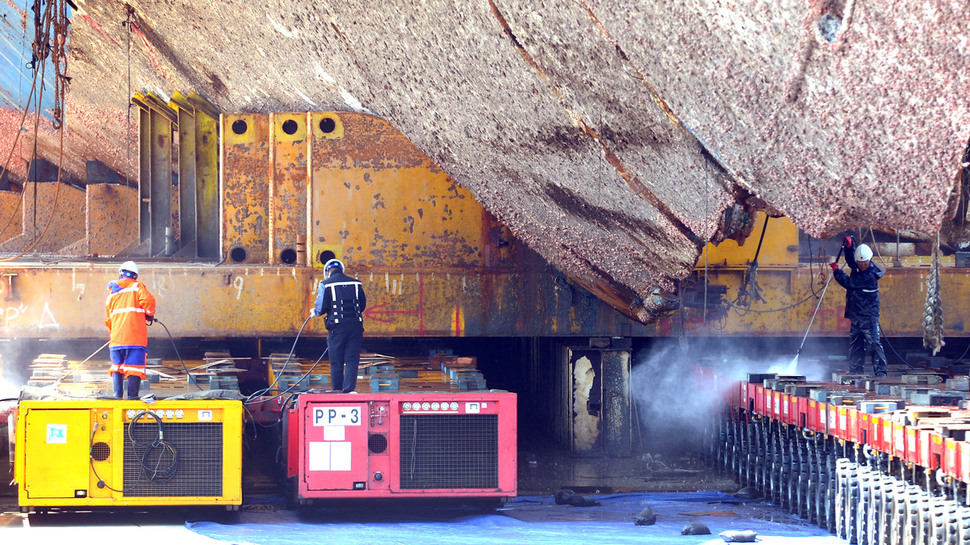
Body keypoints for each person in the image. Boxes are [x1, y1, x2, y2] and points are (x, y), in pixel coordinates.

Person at [831, 237, 887, 377]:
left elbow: (849, 283)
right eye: (860, 263)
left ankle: (880, 373)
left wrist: (837, 271)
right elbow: (851, 261)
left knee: (874, 343)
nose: (862, 265)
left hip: (868, 316)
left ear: (869, 261)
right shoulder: (859, 267)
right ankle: (855, 372)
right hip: (856, 315)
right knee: (856, 345)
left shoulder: (870, 276)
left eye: (864, 263)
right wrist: (849, 247)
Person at [104, 261, 156, 399]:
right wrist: (149, 314)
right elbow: (149, 303)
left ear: (121, 274)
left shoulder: (111, 295)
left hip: (116, 340)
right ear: (135, 275)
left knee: (117, 367)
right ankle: (133, 397)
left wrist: (114, 336)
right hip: (135, 338)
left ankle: (117, 396)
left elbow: (109, 320)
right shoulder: (137, 287)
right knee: (134, 367)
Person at [313, 259, 366, 393]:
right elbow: (362, 305)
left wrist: (314, 312)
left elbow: (320, 308)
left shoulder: (325, 284)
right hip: (356, 327)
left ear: (327, 272)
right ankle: (349, 389)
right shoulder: (356, 283)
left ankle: (337, 389)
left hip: (337, 329)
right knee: (352, 359)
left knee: (336, 360)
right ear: (342, 270)